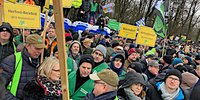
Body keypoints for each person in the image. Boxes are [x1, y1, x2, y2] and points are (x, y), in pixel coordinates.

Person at [0, 34, 45, 99]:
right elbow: (1, 88)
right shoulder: (12, 61)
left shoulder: (41, 62)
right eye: (37, 48)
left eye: (41, 49)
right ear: (27, 46)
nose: (40, 51)